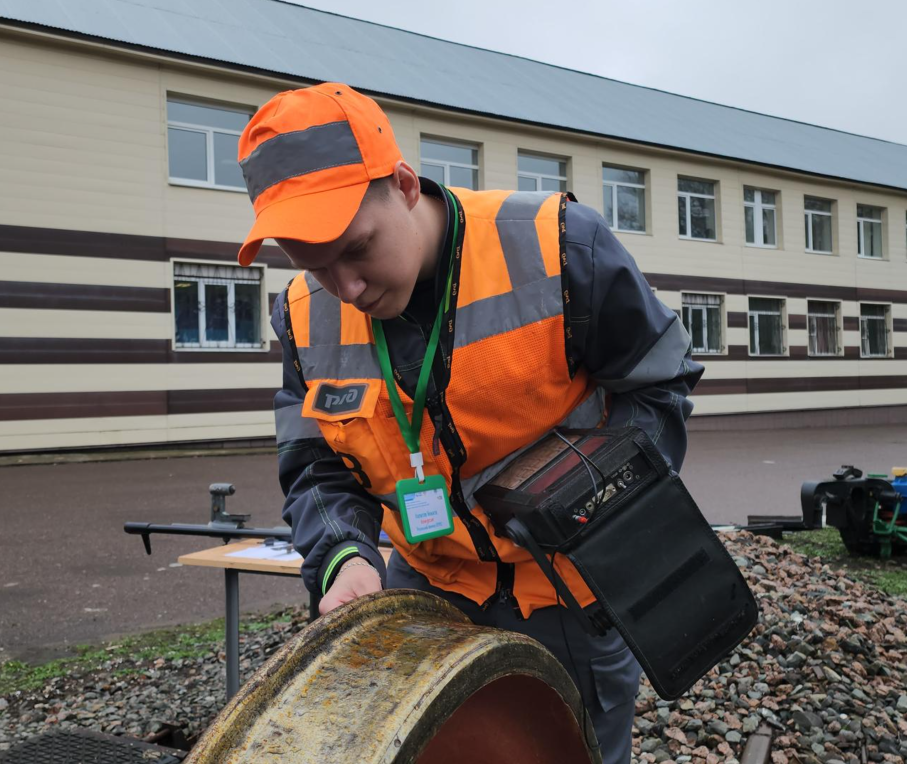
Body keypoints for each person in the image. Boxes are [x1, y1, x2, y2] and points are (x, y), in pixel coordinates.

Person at [235, 82, 703, 764]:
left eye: (357, 249)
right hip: (425, 594)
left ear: (400, 183)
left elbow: (661, 389)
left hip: (570, 593)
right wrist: (342, 555)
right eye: (314, 264)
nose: (348, 288)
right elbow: (316, 465)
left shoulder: (562, 247)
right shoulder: (304, 317)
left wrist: (593, 498)